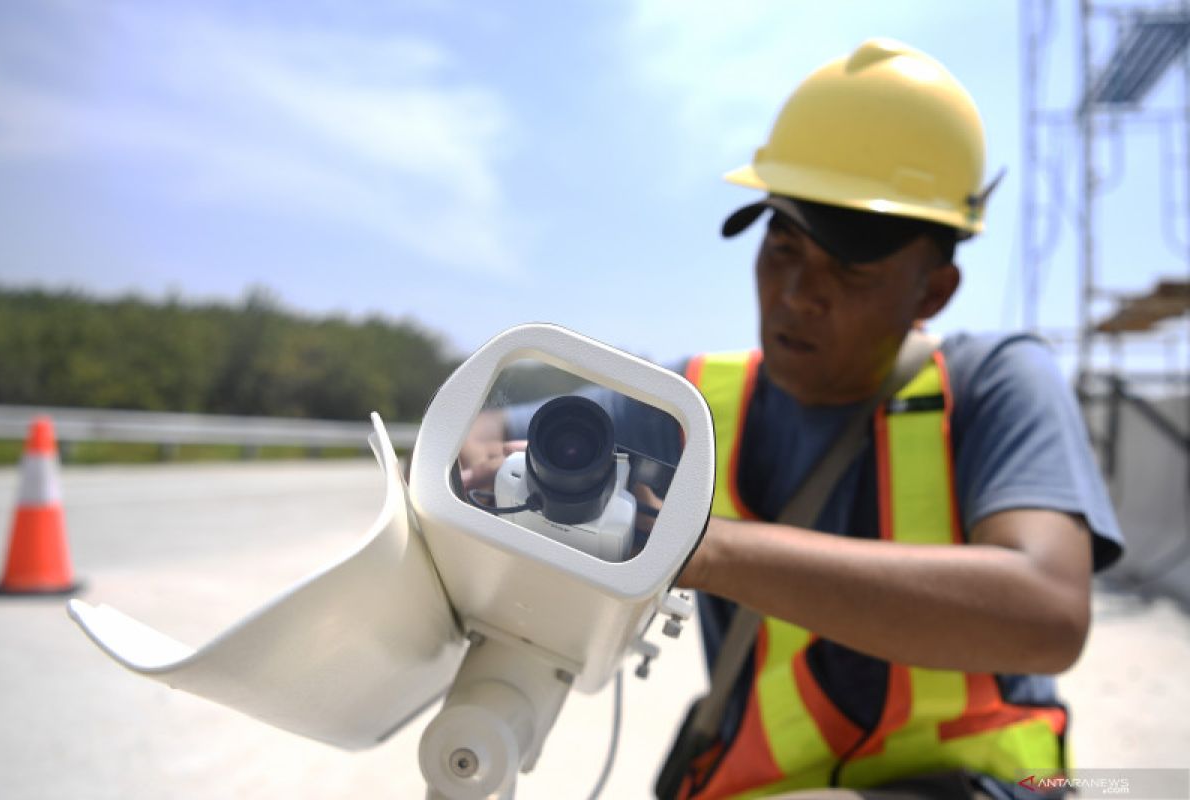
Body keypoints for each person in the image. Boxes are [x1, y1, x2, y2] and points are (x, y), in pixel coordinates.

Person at [461, 37, 1122, 800]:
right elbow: (470, 436)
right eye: (783, 246)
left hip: (991, 783)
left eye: (850, 267)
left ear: (933, 292)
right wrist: (492, 474)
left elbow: (1046, 614)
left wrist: (697, 546)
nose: (799, 293)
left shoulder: (995, 383)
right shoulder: (698, 405)